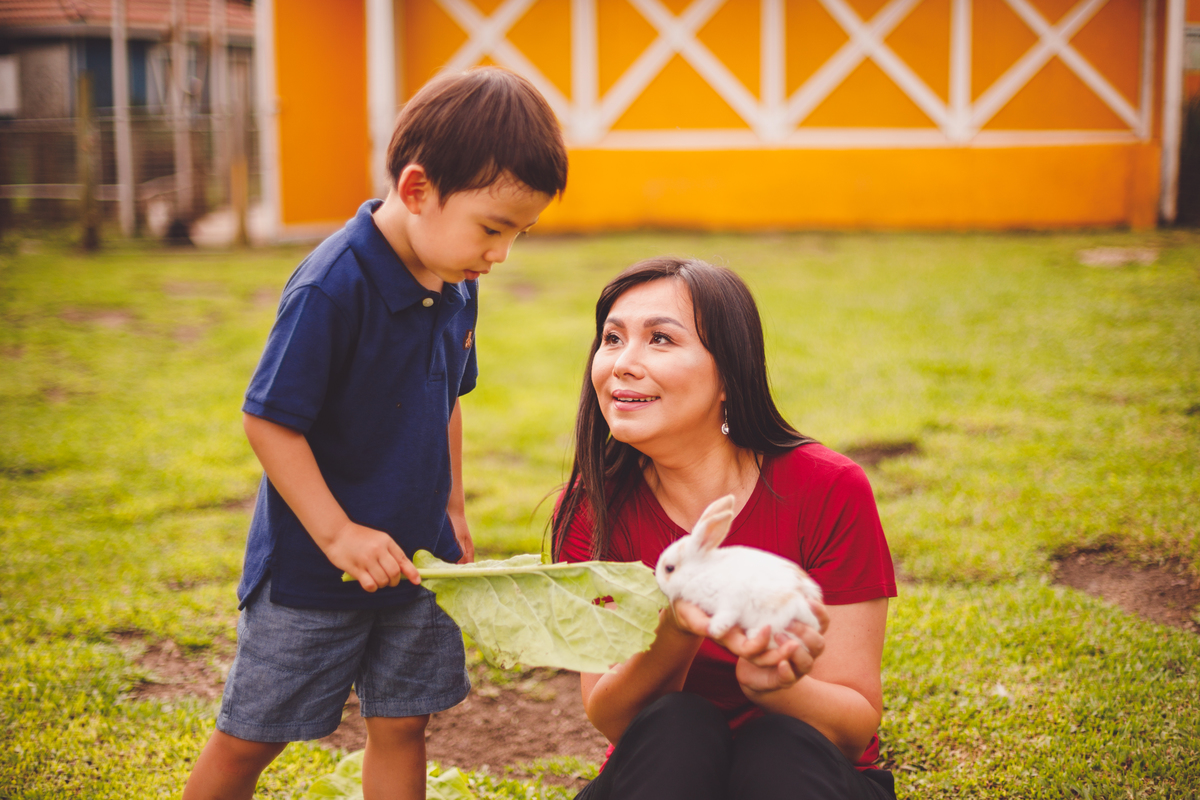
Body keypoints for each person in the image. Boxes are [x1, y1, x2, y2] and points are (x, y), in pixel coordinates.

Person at [183, 68, 568, 800]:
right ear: (417, 189)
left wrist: (452, 510)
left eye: (519, 234)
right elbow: (269, 421)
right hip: (313, 573)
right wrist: (339, 535)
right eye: (492, 229)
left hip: (419, 564)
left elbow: (448, 400)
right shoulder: (332, 286)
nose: (501, 255)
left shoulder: (457, 283)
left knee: (403, 723)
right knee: (252, 736)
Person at [552, 257, 898, 800]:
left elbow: (853, 729)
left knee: (779, 746)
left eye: (660, 339)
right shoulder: (590, 509)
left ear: (728, 376)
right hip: (665, 771)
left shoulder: (828, 487)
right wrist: (677, 628)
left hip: (803, 769)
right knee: (677, 726)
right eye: (612, 338)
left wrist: (775, 688)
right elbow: (613, 719)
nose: (622, 363)